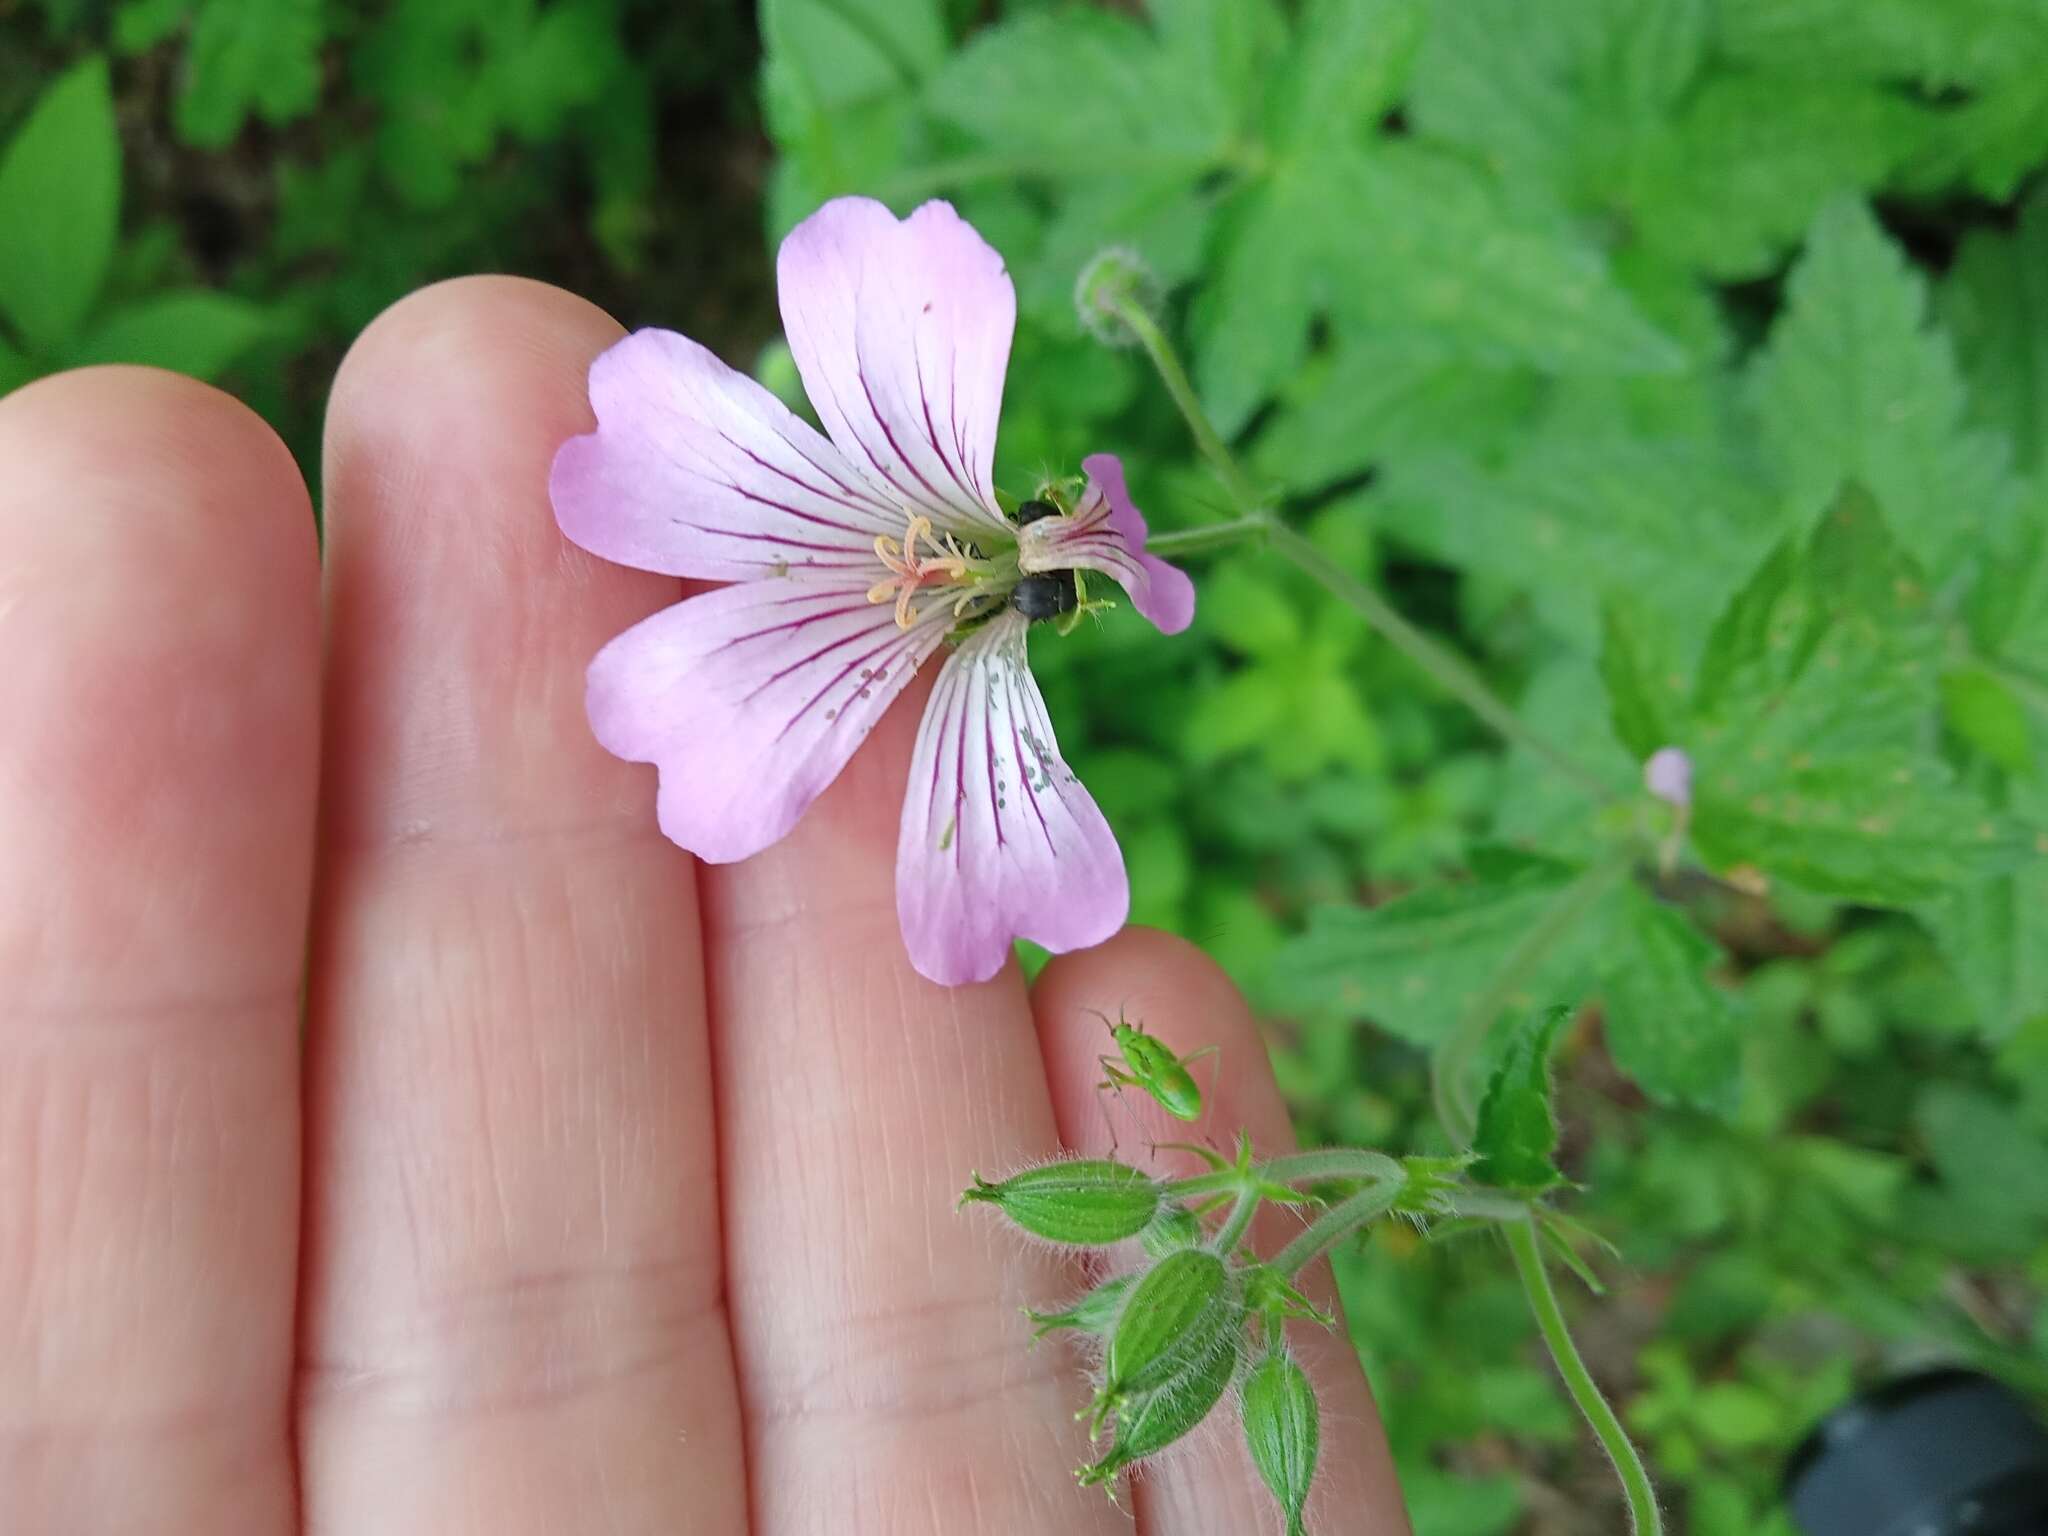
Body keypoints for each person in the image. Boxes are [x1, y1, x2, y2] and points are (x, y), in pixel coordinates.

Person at [0, 278, 1411, 1534]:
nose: (947, 570)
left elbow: (1094, 546)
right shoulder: (947, 572)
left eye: (990, 563)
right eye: (975, 561)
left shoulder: (1013, 542)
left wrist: (1073, 547)